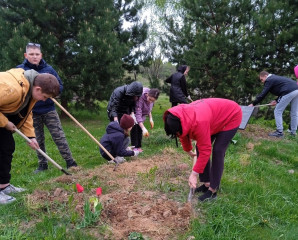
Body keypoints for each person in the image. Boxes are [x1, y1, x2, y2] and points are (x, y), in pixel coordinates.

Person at [0, 68, 60, 204]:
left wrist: (31, 136)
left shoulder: (29, 88)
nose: (44, 100)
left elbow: (26, 112)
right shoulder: (12, 90)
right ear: (38, 89)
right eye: (45, 97)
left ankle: (4, 185)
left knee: (6, 147)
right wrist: (5, 123)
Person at [164, 98, 242, 201]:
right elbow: (182, 134)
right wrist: (188, 149)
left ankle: (213, 190)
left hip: (231, 115)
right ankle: (207, 183)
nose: (177, 136)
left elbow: (206, 150)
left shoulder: (199, 121)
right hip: (213, 119)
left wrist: (194, 174)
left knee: (218, 150)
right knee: (199, 147)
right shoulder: (180, 118)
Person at [16, 43, 77, 173]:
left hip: (49, 109)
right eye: (31, 54)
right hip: (32, 112)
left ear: (41, 55)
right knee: (37, 139)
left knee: (58, 136)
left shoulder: (49, 69)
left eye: (37, 54)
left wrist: (51, 92)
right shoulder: (21, 70)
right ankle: (42, 164)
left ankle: (70, 162)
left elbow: (59, 86)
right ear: (26, 55)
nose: (34, 57)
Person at [249, 71, 298, 137]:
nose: (262, 81)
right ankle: (293, 132)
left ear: (265, 76)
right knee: (294, 112)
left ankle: (279, 132)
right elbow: (283, 88)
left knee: (278, 111)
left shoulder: (269, 79)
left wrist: (253, 104)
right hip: (296, 90)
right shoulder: (274, 78)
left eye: (262, 79)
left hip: (288, 91)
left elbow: (263, 94)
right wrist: (276, 100)